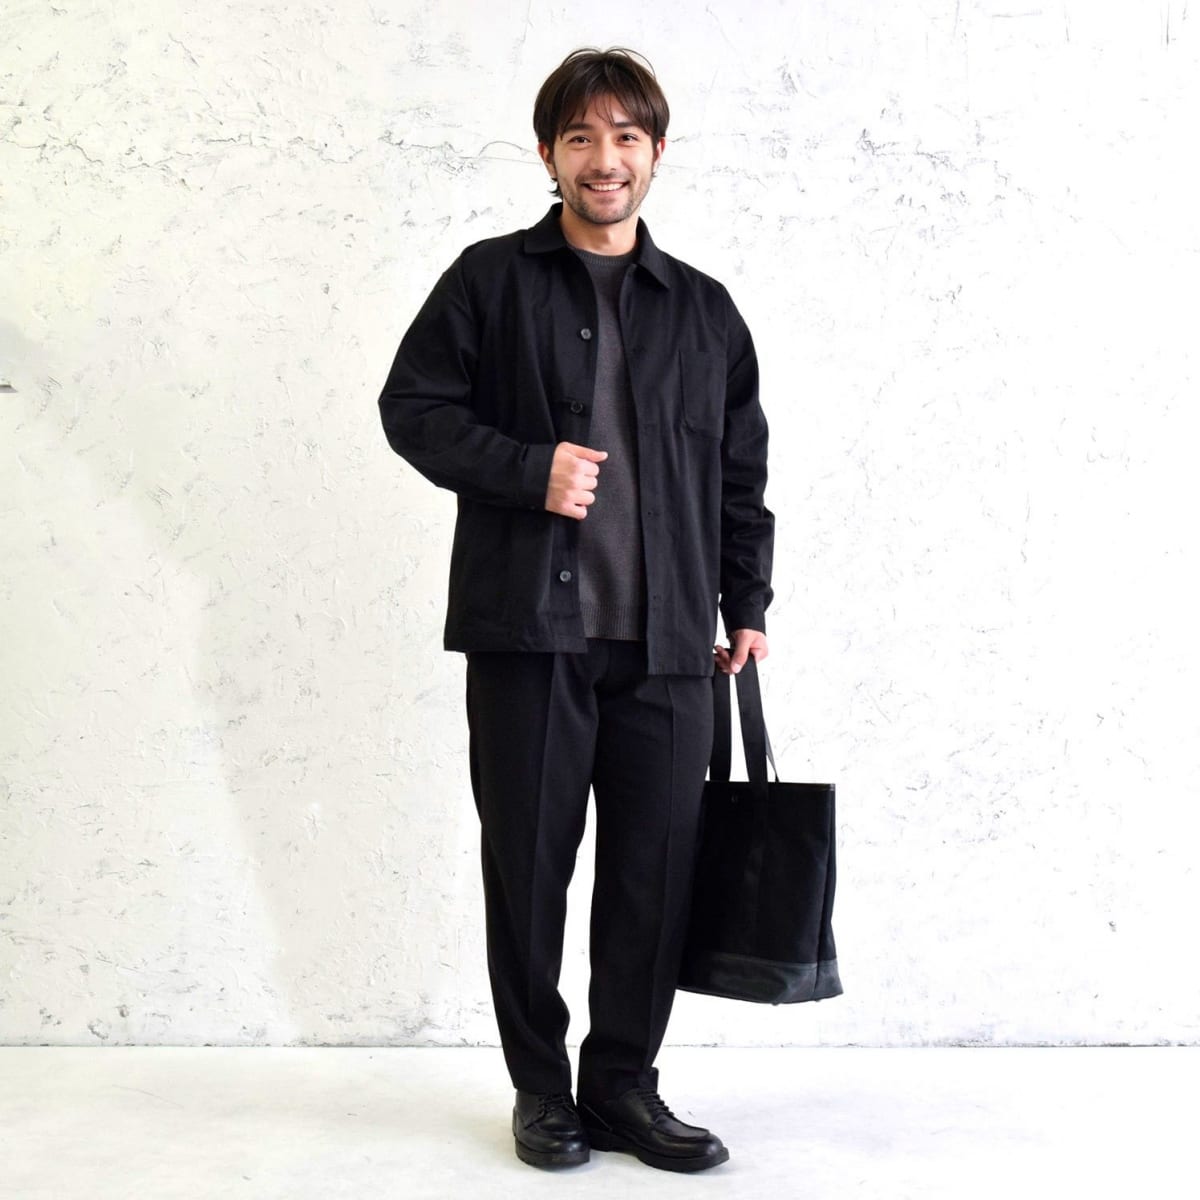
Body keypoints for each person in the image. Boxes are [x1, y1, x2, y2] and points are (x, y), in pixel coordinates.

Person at [377, 46, 773, 1173]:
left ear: (656, 152)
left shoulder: (704, 311)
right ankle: (542, 1092)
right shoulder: (489, 281)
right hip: (529, 640)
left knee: (655, 878)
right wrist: (526, 469)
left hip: (670, 648)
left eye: (626, 138)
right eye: (583, 138)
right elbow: (413, 408)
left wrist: (746, 599)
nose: (606, 160)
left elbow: (740, 470)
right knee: (530, 874)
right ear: (550, 153)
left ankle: (623, 1090)